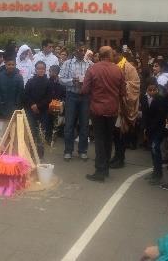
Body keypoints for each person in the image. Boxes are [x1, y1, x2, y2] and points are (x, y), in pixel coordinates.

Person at [82, 46, 126, 182]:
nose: (114, 55)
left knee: (100, 140)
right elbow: (123, 92)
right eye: (112, 53)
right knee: (108, 139)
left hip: (97, 110)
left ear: (100, 55)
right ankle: (105, 168)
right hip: (112, 110)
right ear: (108, 55)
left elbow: (85, 90)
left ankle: (100, 170)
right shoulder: (118, 70)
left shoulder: (93, 69)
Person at [59, 44, 93, 162]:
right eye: (80, 50)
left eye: (84, 50)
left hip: (85, 97)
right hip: (71, 96)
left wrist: (87, 84)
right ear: (75, 51)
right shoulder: (67, 63)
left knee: (84, 125)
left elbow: (94, 80)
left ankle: (83, 151)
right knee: (69, 125)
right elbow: (60, 79)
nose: (82, 52)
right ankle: (68, 151)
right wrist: (71, 81)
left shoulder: (90, 64)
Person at [111, 48, 140, 169]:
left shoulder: (129, 68)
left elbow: (135, 85)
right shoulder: (113, 66)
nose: (111, 57)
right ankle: (116, 155)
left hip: (123, 106)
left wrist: (122, 85)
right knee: (115, 134)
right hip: (113, 105)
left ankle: (121, 158)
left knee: (122, 134)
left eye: (113, 55)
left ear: (118, 54)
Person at [0, 53, 24, 148]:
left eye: (12, 65)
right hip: (2, 108)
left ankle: (12, 154)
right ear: (5, 64)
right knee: (1, 133)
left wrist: (17, 106)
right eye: (8, 64)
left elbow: (20, 92)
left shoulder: (19, 77)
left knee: (13, 134)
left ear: (15, 65)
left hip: (14, 109)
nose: (11, 66)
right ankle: (0, 153)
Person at [142, 77, 168, 184]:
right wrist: (144, 127)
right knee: (153, 150)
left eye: (154, 89)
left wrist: (151, 127)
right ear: (146, 89)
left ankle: (158, 174)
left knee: (155, 148)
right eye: (150, 90)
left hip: (158, 127)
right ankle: (155, 171)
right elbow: (144, 114)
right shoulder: (144, 98)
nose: (152, 92)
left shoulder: (161, 99)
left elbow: (160, 116)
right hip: (149, 128)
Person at [23, 61, 52, 158]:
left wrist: (38, 106)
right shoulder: (30, 81)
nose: (41, 70)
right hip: (30, 111)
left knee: (40, 132)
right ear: (35, 70)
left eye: (42, 68)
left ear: (45, 69)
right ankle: (30, 152)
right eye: (38, 68)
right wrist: (32, 105)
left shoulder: (48, 82)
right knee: (31, 131)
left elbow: (49, 98)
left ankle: (40, 154)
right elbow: (26, 95)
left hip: (43, 111)